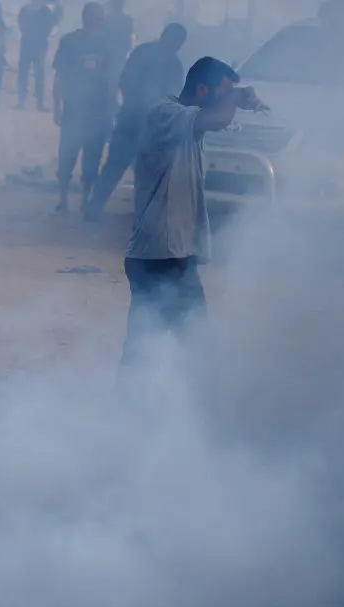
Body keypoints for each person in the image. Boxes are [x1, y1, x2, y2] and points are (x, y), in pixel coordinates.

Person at [119, 56, 266, 372]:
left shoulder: (187, 121)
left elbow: (220, 120)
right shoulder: (165, 113)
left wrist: (235, 98)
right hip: (161, 255)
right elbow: (217, 119)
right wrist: (236, 98)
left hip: (169, 254)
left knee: (146, 348)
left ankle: (131, 410)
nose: (227, 100)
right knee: (195, 347)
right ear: (202, 90)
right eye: (221, 92)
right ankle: (204, 413)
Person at [84, 20, 185, 221]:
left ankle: (140, 216)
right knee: (116, 165)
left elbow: (174, 96)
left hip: (150, 126)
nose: (175, 45)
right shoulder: (145, 53)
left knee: (144, 172)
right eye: (174, 40)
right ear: (165, 36)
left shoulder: (173, 63)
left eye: (178, 42)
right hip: (133, 120)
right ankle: (93, 210)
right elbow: (126, 81)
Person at [51, 1, 110, 215]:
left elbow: (109, 79)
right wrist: (56, 106)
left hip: (96, 110)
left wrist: (110, 110)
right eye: (98, 16)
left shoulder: (105, 44)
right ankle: (63, 200)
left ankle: (85, 200)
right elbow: (60, 75)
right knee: (67, 154)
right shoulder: (70, 42)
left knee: (92, 157)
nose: (101, 20)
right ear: (87, 18)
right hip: (74, 109)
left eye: (102, 16)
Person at [16, 0, 57, 110]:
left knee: (36, 74)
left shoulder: (41, 11)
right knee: (27, 74)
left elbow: (49, 26)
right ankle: (24, 102)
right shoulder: (32, 10)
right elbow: (21, 24)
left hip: (36, 44)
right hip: (32, 44)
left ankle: (35, 103)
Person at [104, 0, 133, 95]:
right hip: (116, 52)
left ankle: (112, 95)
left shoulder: (108, 18)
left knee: (114, 75)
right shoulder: (127, 19)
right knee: (115, 75)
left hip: (115, 52)